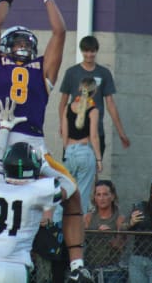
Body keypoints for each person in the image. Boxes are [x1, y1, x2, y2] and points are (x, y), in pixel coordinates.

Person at [0, 0, 92, 282]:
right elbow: (54, 32)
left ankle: (76, 265)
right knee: (69, 195)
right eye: (17, 42)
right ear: (3, 48)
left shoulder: (5, 71)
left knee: (68, 195)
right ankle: (76, 263)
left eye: (26, 42)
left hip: (9, 148)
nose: (23, 46)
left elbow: (55, 33)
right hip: (20, 147)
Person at [0, 98, 69, 283]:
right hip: (13, 267)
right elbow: (68, 186)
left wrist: (4, 129)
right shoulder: (37, 191)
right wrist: (46, 165)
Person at [58, 35, 130, 161]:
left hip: (96, 131)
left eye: (92, 51)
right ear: (81, 51)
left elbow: (110, 104)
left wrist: (121, 132)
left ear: (96, 51)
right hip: (74, 132)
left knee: (94, 171)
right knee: (70, 173)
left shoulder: (104, 73)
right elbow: (63, 102)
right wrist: (62, 124)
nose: (89, 54)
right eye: (86, 51)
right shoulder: (71, 72)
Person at [61, 77, 102, 213]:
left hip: (69, 152)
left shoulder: (68, 108)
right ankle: (79, 229)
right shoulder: (93, 110)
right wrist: (98, 159)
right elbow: (94, 136)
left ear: (79, 89)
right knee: (82, 196)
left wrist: (66, 152)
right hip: (85, 151)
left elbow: (64, 135)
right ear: (94, 91)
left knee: (65, 193)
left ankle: (59, 228)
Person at [83, 180, 126, 283]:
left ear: (112, 196)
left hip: (112, 269)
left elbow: (121, 246)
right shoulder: (88, 217)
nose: (102, 198)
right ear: (94, 197)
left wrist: (109, 235)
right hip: (90, 266)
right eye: (98, 195)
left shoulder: (120, 219)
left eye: (105, 194)